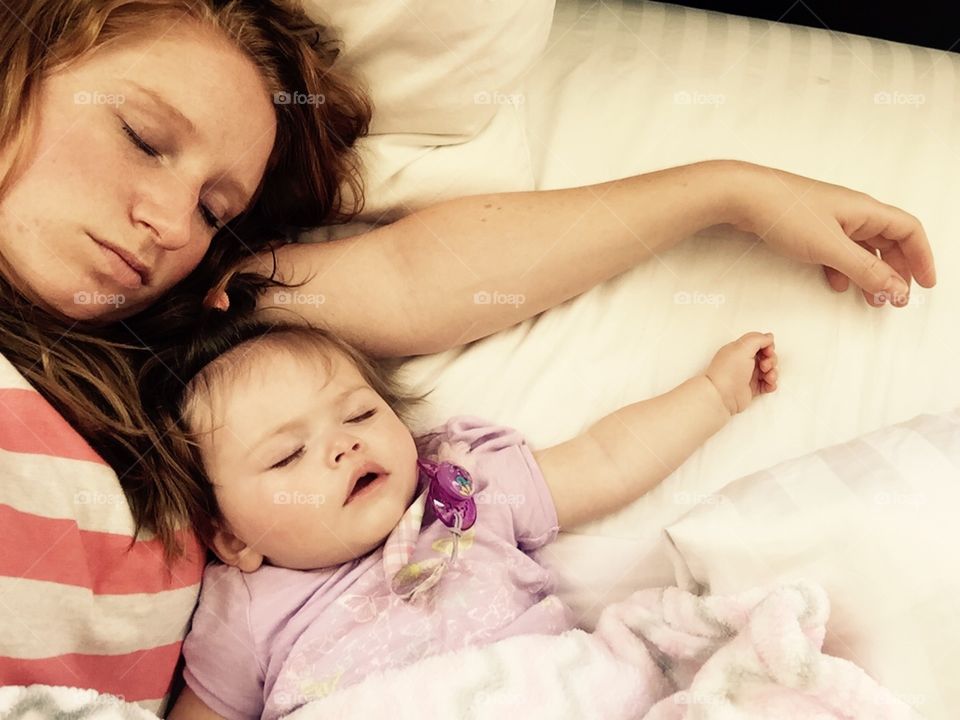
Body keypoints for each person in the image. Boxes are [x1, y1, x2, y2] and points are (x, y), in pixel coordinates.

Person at [0, 0, 935, 710]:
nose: (169, 223)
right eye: (142, 137)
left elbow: (415, 279)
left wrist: (727, 190)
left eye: (216, 209)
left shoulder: (187, 355)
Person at [144, 308, 778, 720]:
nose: (344, 445)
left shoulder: (465, 490)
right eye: (288, 455)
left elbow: (605, 459)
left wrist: (714, 396)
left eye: (359, 414)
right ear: (231, 537)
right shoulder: (247, 610)